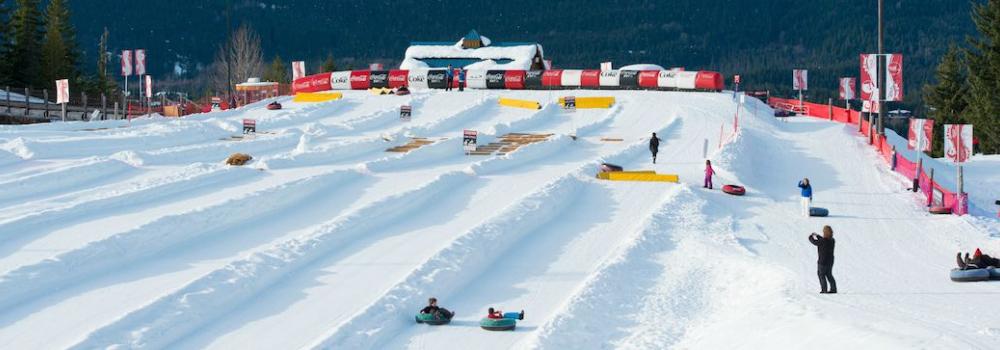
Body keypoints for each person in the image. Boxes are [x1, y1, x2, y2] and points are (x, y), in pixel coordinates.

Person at [809, 226, 837, 294]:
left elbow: (815, 242)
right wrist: (818, 235)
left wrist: (810, 237)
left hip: (822, 261)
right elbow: (822, 240)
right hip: (830, 261)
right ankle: (833, 289)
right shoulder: (832, 240)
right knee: (829, 274)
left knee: (821, 275)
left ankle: (824, 290)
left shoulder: (823, 241)